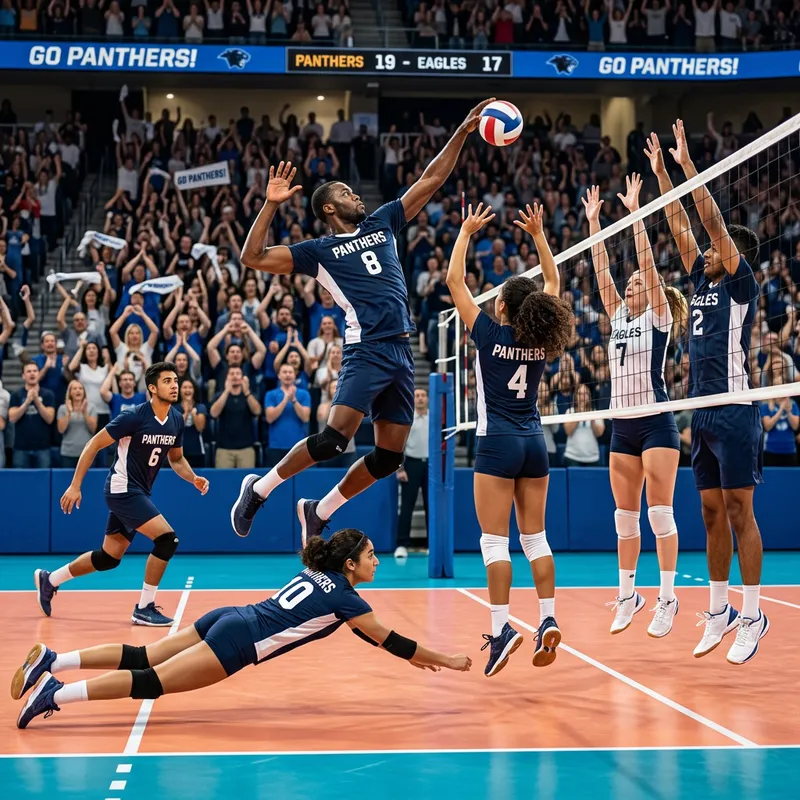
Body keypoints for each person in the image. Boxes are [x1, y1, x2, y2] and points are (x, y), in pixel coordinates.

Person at [232, 98, 494, 543]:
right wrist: (271, 205)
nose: (355, 194)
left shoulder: (383, 222)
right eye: (344, 193)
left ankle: (320, 509)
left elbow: (431, 179)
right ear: (329, 208)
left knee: (389, 458)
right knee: (335, 438)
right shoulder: (318, 251)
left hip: (401, 349)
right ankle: (259, 489)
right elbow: (251, 257)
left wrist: (463, 132)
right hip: (366, 348)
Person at [12, 528, 472, 729]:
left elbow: (372, 638)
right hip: (238, 642)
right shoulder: (347, 597)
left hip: (230, 615)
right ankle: (54, 693)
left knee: (145, 657)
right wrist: (446, 660)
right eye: (371, 555)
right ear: (350, 564)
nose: (376, 561)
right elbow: (391, 640)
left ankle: (56, 660)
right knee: (150, 682)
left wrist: (411, 656)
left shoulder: (322, 579)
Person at [650, 122, 766, 665]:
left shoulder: (742, 282)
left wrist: (692, 170)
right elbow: (679, 227)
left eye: (715, 251)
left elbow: (711, 223)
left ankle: (752, 613)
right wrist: (662, 176)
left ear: (733, 254)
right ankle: (718, 610)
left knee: (741, 512)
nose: (704, 255)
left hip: (737, 409)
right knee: (712, 515)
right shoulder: (700, 283)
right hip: (702, 414)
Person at [445, 203, 572, 677]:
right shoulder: (541, 339)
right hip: (534, 441)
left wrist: (465, 231)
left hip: (496, 442)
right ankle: (547, 619)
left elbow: (456, 281)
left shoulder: (488, 334)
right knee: (535, 538)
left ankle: (501, 631)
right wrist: (540, 235)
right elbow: (553, 286)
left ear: (501, 306)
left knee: (494, 543)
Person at [583, 176, 689, 638]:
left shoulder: (659, 317)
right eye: (628, 284)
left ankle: (667, 598)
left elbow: (645, 258)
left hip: (656, 422)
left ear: (654, 292)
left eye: (637, 283)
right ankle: (629, 594)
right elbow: (601, 268)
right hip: (621, 425)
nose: (630, 285)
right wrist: (593, 225)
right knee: (623, 520)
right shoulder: (619, 316)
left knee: (659, 514)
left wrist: (635, 213)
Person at [35, 363, 210, 627]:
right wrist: (75, 485)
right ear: (152, 388)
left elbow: (176, 459)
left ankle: (50, 580)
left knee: (108, 558)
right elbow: (94, 443)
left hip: (138, 492)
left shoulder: (175, 419)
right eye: (167, 381)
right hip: (123, 490)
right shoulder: (135, 416)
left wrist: (193, 477)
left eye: (175, 380)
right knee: (167, 540)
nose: (174, 385)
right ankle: (144, 607)